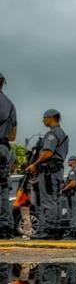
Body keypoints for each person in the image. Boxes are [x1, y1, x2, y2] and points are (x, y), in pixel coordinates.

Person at [26, 110, 69, 240]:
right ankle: (54, 229)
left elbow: (48, 153)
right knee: (54, 200)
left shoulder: (52, 134)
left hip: (49, 172)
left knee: (48, 201)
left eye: (44, 118)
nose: (43, 120)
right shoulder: (62, 134)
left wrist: (35, 164)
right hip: (55, 171)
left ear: (51, 118)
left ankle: (49, 230)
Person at [0, 73, 17, 240]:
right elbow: (13, 135)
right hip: (4, 148)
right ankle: (5, 227)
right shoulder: (10, 104)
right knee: (3, 188)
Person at [61, 155, 76, 239]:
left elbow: (72, 183)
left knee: (72, 213)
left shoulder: (73, 171)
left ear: (74, 161)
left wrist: (63, 190)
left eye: (70, 160)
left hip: (73, 193)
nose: (68, 161)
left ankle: (73, 232)